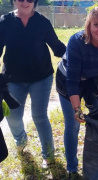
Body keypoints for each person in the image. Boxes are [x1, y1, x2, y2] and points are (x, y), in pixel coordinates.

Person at [0, 0, 66, 168]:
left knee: (39, 116)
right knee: (12, 116)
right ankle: (20, 139)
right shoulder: (5, 22)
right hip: (12, 78)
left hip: (41, 77)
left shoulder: (43, 22)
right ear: (14, 0)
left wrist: (77, 51)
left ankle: (48, 155)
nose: (25, 2)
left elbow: (57, 48)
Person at [56, 6, 98, 179]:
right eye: (96, 24)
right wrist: (77, 108)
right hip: (68, 80)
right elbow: (72, 79)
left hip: (93, 79)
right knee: (73, 124)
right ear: (89, 25)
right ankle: (72, 168)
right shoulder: (76, 41)